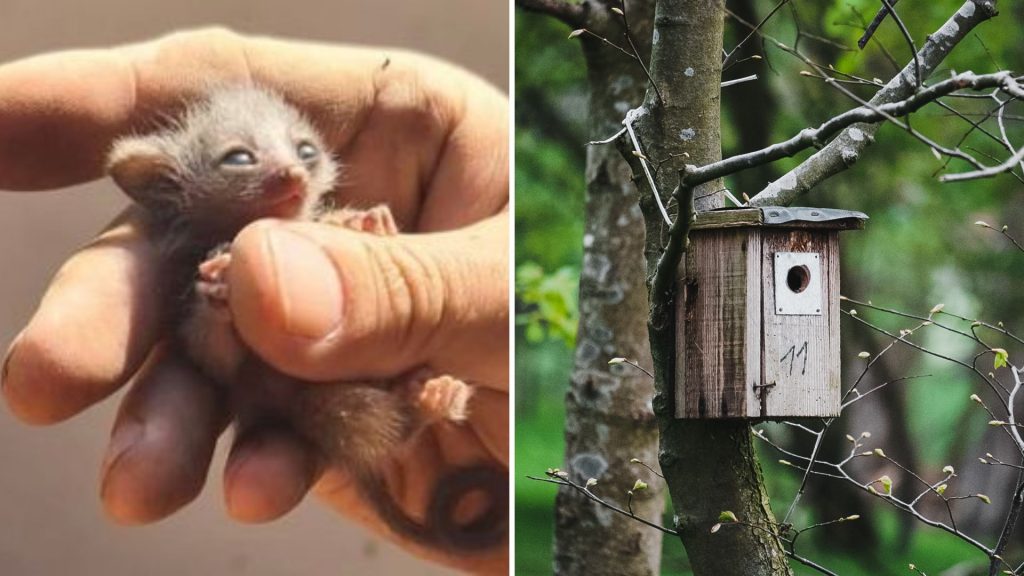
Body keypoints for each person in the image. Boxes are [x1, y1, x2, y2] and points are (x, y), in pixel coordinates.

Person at [0, 28, 508, 574]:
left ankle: (412, 413)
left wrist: (363, 241)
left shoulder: (323, 228)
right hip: (287, 396)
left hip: (358, 383)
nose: (291, 169)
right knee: (327, 415)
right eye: (238, 158)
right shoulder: (209, 272)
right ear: (171, 187)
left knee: (342, 415)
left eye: (306, 151)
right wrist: (219, 313)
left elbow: (340, 253)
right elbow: (216, 361)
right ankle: (410, 414)